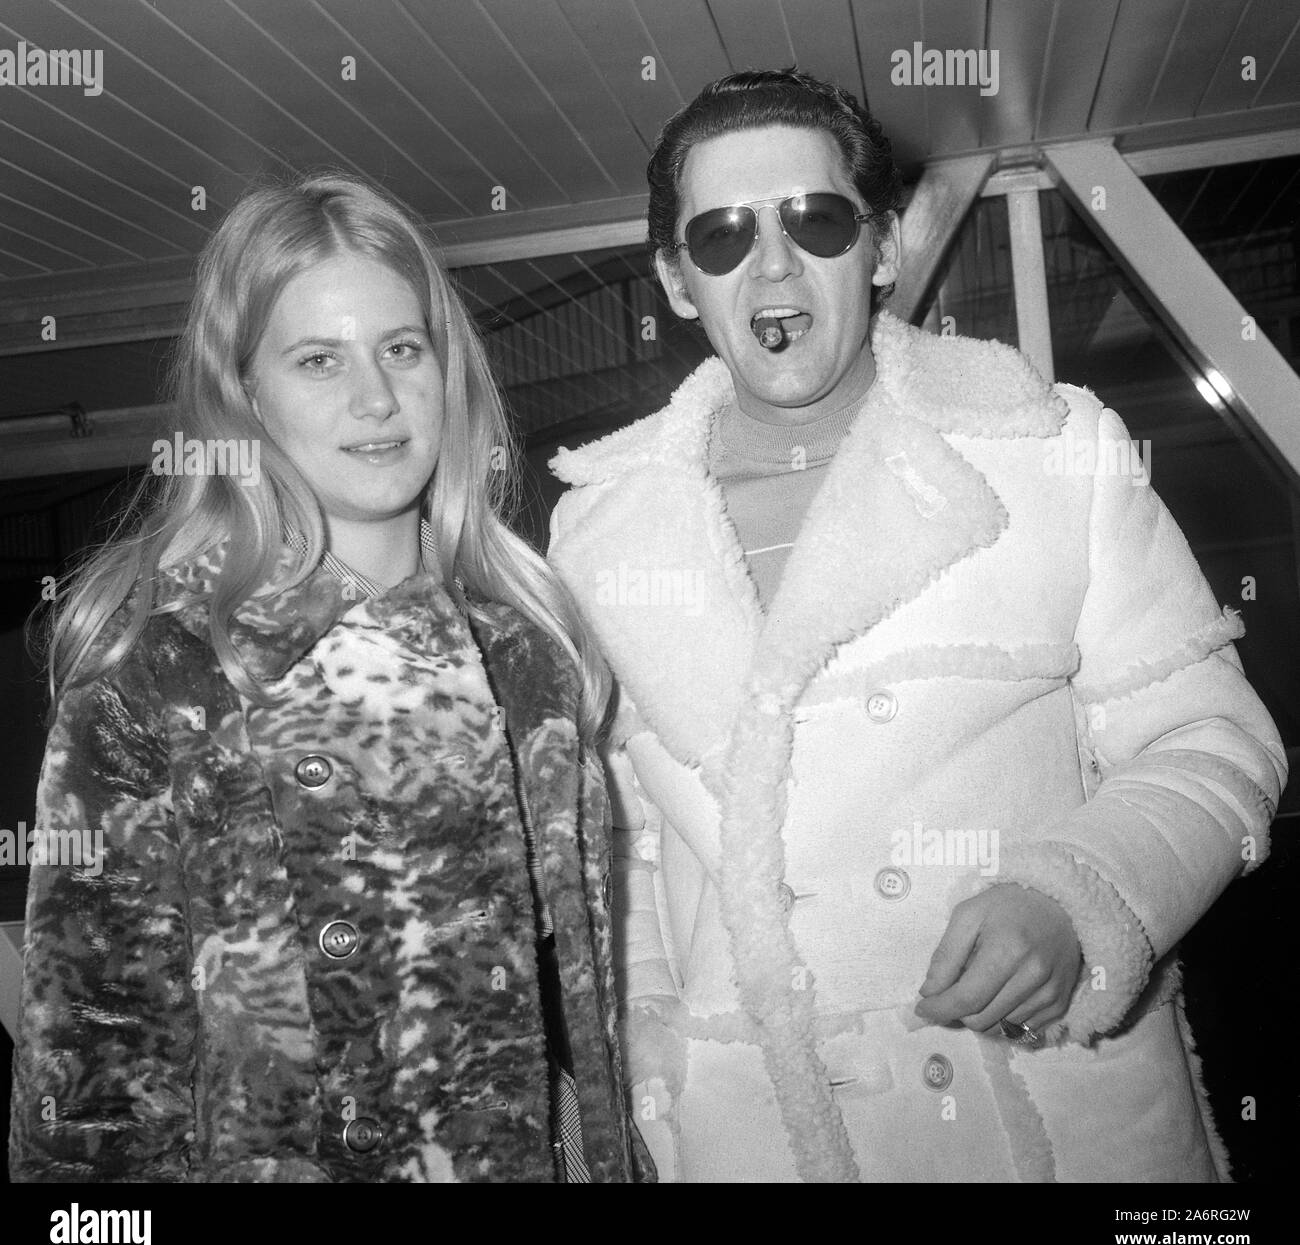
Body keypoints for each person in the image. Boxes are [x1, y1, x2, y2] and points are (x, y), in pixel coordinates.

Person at [546, 69, 1287, 1182]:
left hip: (1048, 1117)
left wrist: (1081, 895)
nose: (776, 266)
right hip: (756, 1136)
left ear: (881, 249)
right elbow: (627, 846)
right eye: (722, 237)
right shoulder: (597, 530)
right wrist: (654, 1078)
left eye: (818, 219)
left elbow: (1219, 744)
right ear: (677, 280)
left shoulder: (1045, 451)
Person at [9, 172, 651, 1184]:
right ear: (245, 394)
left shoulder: (528, 658)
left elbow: (581, 1039)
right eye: (319, 360)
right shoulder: (158, 681)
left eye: (402, 348)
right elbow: (87, 1109)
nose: (377, 399)